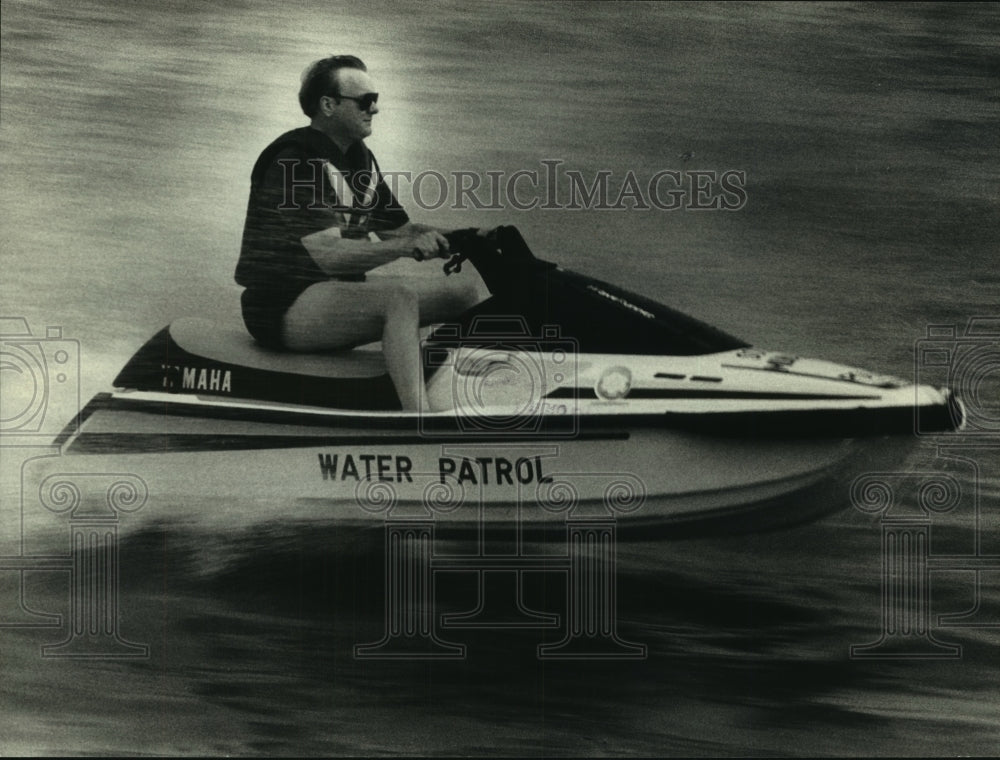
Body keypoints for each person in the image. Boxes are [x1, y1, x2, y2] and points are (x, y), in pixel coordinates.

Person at [235, 55, 479, 411]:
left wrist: (470, 237)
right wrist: (405, 247)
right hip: (281, 307)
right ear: (328, 106)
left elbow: (400, 230)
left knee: (465, 294)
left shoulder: (358, 159)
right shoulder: (295, 164)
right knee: (398, 299)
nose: (375, 109)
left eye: (375, 99)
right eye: (365, 101)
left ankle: (469, 391)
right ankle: (418, 418)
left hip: (334, 295)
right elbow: (330, 255)